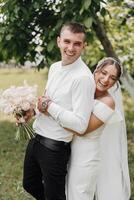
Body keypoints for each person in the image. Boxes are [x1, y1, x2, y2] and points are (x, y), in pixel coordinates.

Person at [22, 22, 95, 200]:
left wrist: (51, 108)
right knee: (29, 184)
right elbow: (46, 101)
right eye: (67, 41)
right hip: (36, 139)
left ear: (84, 46)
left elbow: (80, 124)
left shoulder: (83, 78)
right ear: (58, 41)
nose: (71, 48)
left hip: (54, 148)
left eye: (77, 43)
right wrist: (33, 112)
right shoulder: (55, 67)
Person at [43, 57, 130, 200]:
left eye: (112, 78)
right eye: (103, 72)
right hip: (68, 151)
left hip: (86, 159)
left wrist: (51, 111)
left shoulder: (108, 103)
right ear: (96, 71)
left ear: (115, 83)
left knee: (79, 195)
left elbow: (81, 129)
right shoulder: (84, 90)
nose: (106, 79)